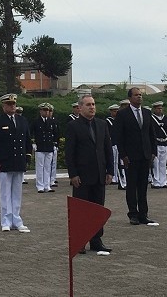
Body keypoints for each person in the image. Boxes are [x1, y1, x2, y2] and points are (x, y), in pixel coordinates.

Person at [66, 95, 114, 255]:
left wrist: (110, 171)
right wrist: (73, 174)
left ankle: (96, 240)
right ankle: (80, 241)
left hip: (100, 174)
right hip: (82, 176)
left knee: (97, 210)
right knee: (81, 210)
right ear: (80, 108)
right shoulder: (73, 126)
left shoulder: (102, 125)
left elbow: (108, 149)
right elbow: (70, 152)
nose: (92, 107)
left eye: (93, 104)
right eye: (88, 105)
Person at [112, 87, 159, 226]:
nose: (139, 97)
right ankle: (133, 214)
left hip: (145, 155)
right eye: (136, 95)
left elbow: (151, 134)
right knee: (132, 186)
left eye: (140, 95)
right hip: (131, 156)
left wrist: (153, 152)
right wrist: (123, 154)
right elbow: (118, 136)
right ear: (130, 98)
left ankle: (143, 214)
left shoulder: (146, 112)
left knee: (143, 186)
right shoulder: (123, 114)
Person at [0, 93, 33, 233]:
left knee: (17, 193)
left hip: (18, 161)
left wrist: (27, 157)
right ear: (3, 106)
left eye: (13, 104)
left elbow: (27, 141)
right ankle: (6, 221)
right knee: (6, 193)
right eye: (9, 104)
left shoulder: (22, 120)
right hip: (4, 162)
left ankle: (17, 220)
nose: (12, 106)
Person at [32, 102, 59, 193]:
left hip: (49, 146)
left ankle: (47, 185)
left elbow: (55, 133)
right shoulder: (36, 121)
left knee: (48, 167)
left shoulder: (51, 121)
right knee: (40, 167)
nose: (46, 112)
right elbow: (32, 133)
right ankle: (40, 185)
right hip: (40, 146)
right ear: (40, 111)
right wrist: (33, 143)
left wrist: (55, 144)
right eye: (44, 110)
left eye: (47, 110)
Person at [149, 101, 167, 189]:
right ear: (154, 109)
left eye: (161, 108)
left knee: (163, 163)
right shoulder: (151, 118)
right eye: (158, 108)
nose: (160, 110)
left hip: (164, 142)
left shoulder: (165, 119)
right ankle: (156, 181)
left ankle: (163, 181)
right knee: (155, 164)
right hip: (156, 143)